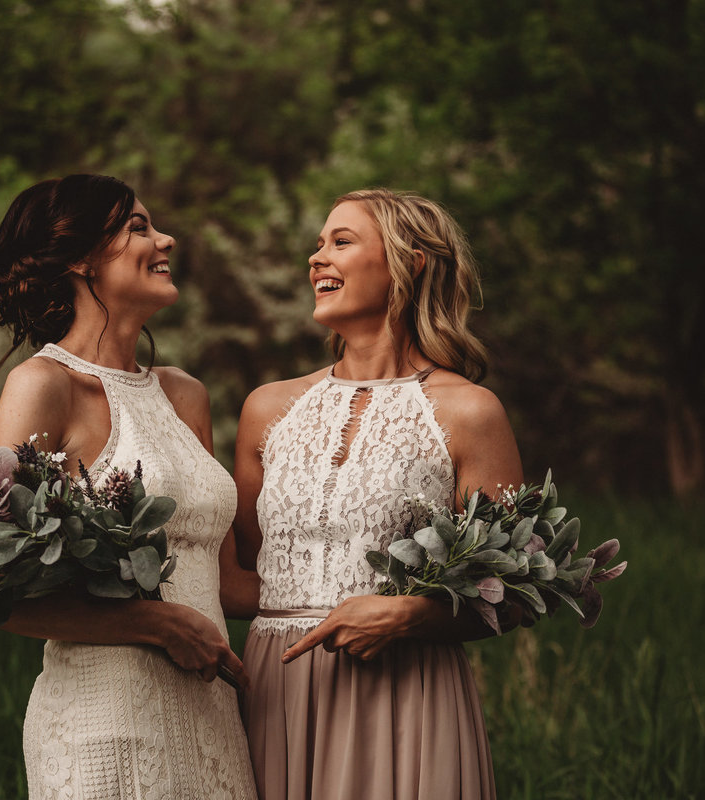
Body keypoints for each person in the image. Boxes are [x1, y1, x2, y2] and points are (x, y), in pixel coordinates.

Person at [232, 188, 524, 799]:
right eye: (316, 245)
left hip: (404, 693)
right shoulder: (267, 409)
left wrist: (410, 614)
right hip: (272, 693)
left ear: (410, 262)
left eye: (341, 242)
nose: (316, 259)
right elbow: (244, 572)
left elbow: (515, 592)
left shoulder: (469, 412)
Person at [0, 174, 258, 799]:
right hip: (106, 723)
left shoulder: (185, 394)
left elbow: (225, 579)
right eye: (138, 228)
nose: (167, 239)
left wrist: (366, 596)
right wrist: (158, 626)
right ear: (78, 259)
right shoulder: (43, 386)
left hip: (211, 718)